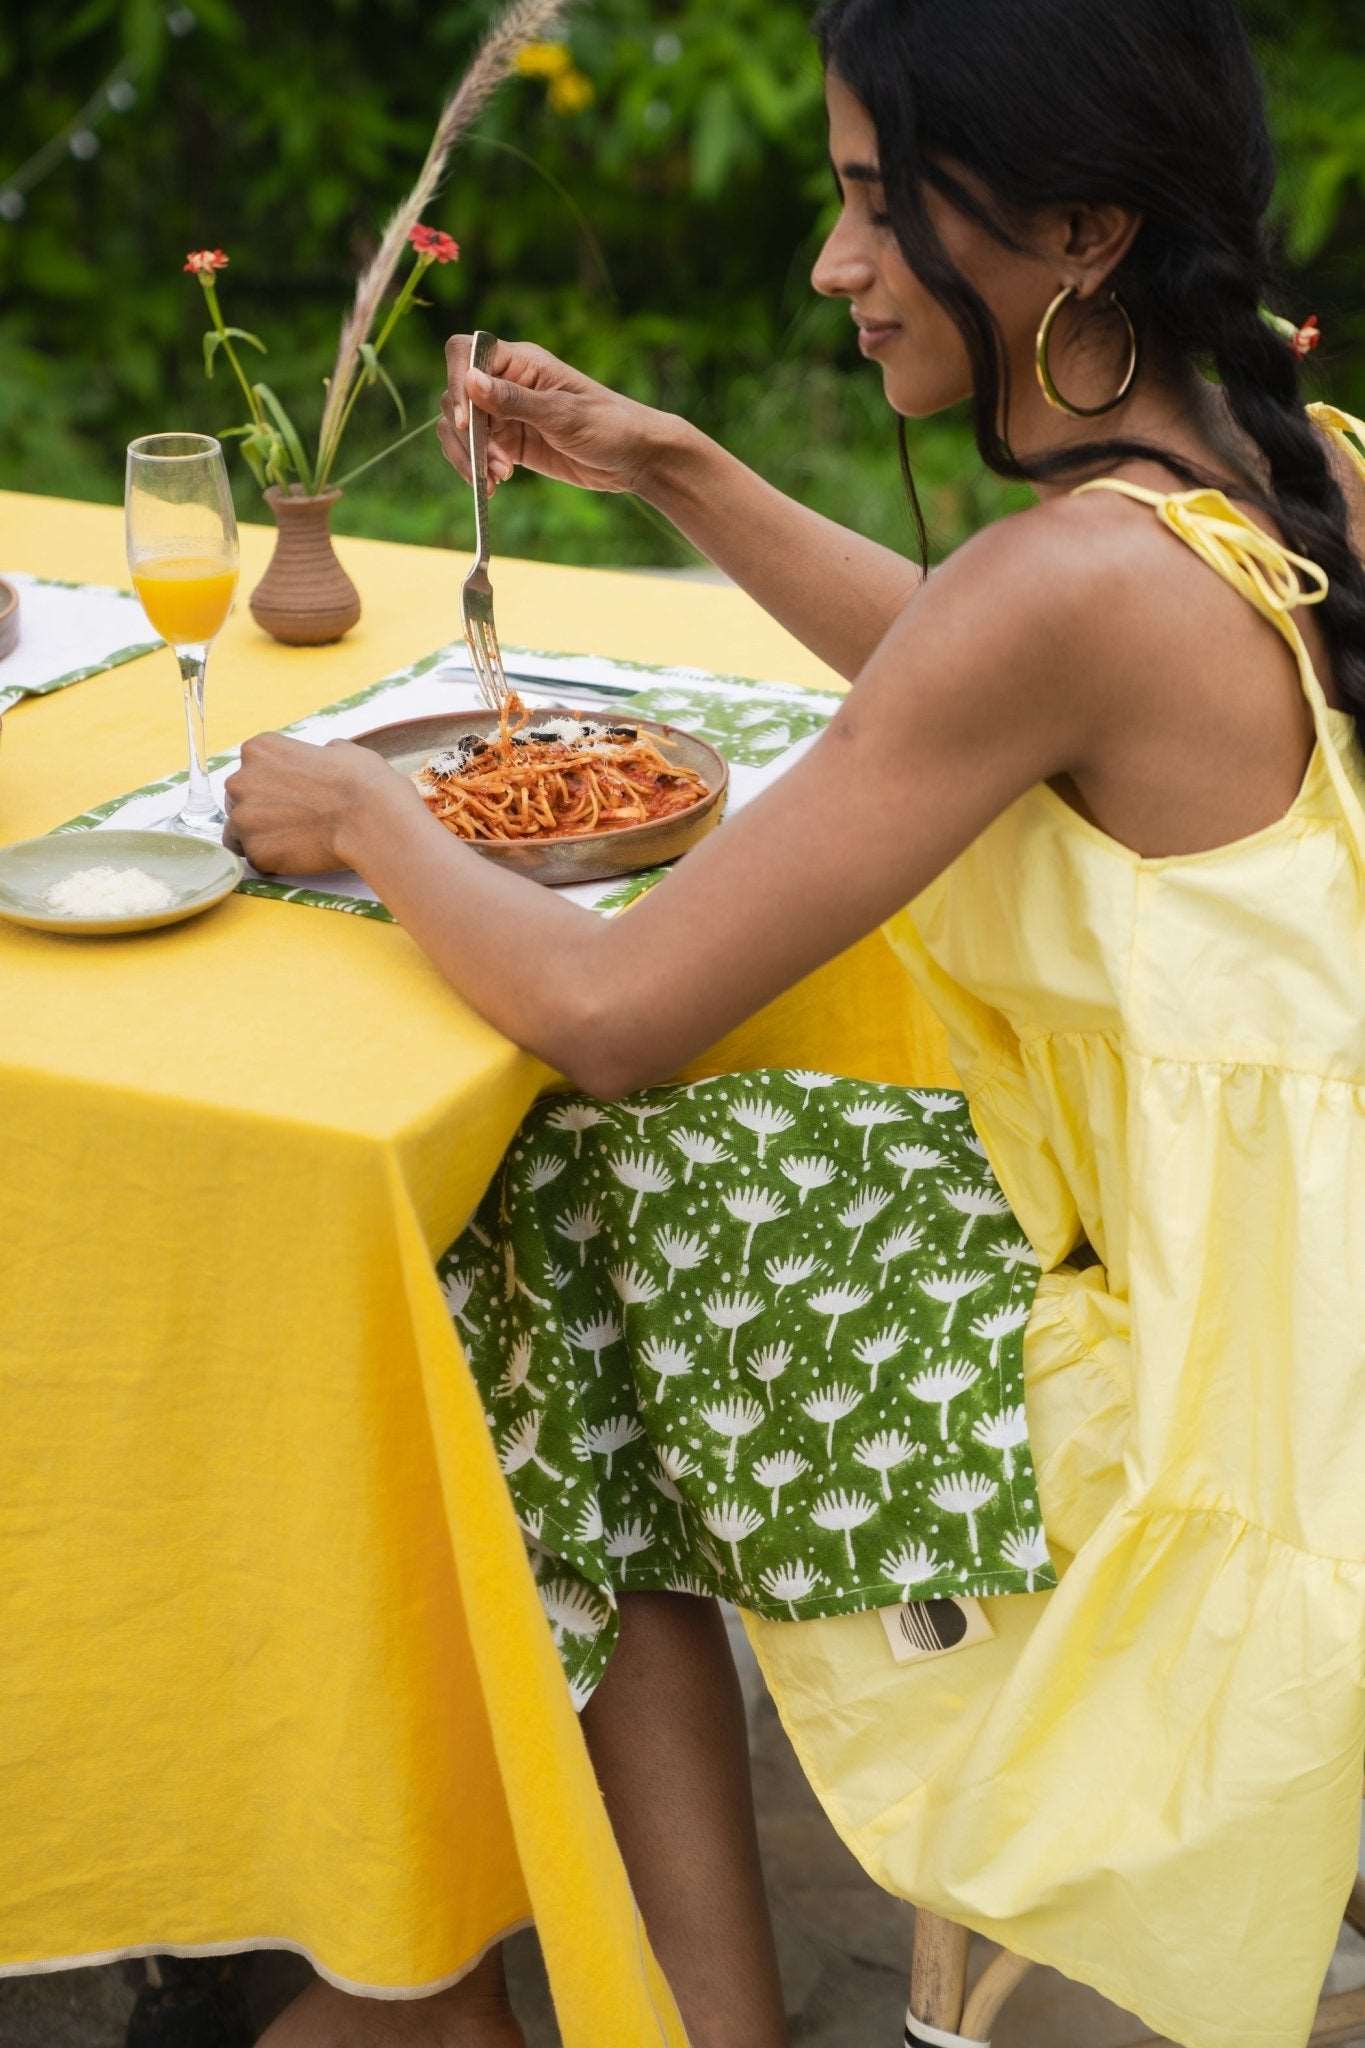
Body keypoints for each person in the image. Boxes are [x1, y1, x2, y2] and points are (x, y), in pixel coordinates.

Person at [236, 1, 1365, 2044]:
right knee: (644, 1212)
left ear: (1080, 234)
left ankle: (562, 1996)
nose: (834, 266)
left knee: (556, 1206)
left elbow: (604, 1012)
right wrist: (672, 468)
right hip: (1295, 1312)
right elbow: (985, 670)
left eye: (869, 204)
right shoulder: (1293, 482)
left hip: (1223, 1420)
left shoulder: (1065, 592)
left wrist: (364, 814)